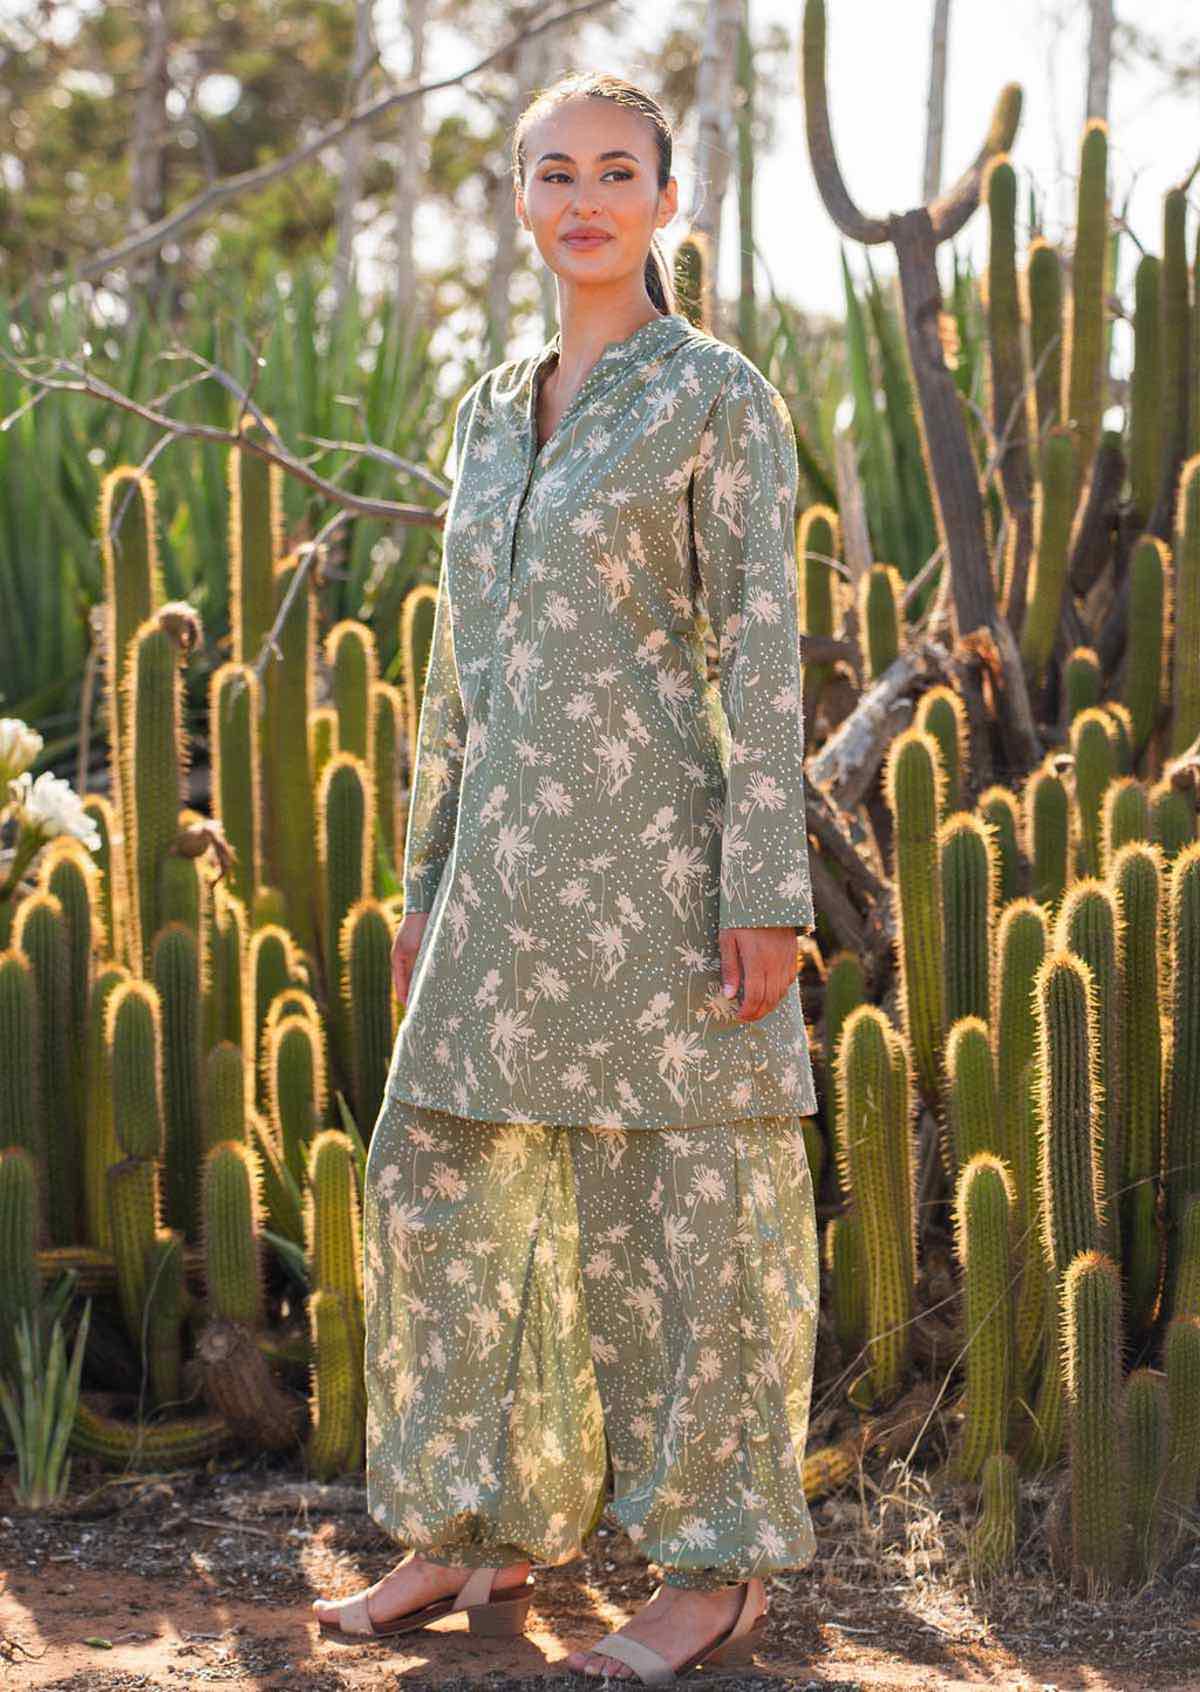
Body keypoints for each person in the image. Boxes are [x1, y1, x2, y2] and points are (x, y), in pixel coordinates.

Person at [313, 70, 822, 1682]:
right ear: (521, 203)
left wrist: (770, 890)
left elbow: (761, 653)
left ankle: (713, 1571)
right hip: (499, 889)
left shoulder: (716, 396)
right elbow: (458, 672)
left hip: (667, 880)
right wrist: (423, 883)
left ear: (668, 203)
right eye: (555, 174)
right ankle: (474, 1531)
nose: (585, 198)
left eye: (618, 172)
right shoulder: (483, 405)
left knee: (693, 1219)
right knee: (446, 1186)